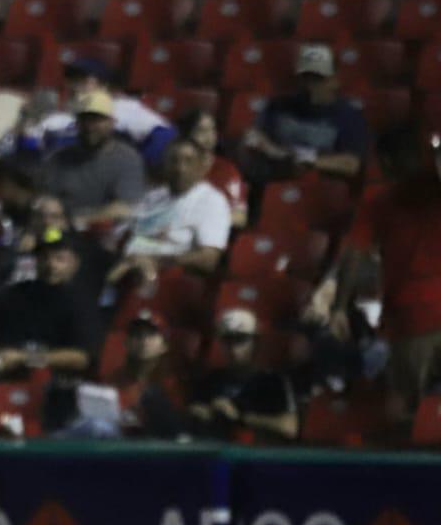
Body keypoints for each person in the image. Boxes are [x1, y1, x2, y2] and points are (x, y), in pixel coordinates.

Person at [311, 126, 441, 414]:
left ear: (386, 162)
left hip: (412, 320)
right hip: (416, 314)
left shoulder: (380, 202)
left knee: (412, 414)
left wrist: (339, 307)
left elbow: (353, 254)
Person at [0, 228, 98, 380]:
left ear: (75, 264)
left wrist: (24, 357)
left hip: (50, 381)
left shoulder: (81, 303)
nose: (51, 265)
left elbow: (82, 358)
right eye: (44, 257)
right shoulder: (13, 293)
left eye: (60, 259)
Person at [107, 138, 232, 297]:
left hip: (168, 280)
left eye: (189, 161)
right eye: (174, 161)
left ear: (201, 166)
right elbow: (119, 234)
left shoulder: (212, 201)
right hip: (127, 266)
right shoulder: (153, 196)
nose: (180, 168)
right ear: (165, 165)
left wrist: (156, 260)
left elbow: (208, 259)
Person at [240, 44, 369, 185]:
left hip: (319, 189)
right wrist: (262, 145)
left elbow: (351, 164)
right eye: (306, 78)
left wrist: (308, 160)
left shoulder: (348, 116)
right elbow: (254, 137)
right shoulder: (278, 107)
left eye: (318, 79)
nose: (311, 85)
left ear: (335, 80)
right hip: (276, 182)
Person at [30, 57, 175, 167]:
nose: (74, 85)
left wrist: (139, 170)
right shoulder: (56, 119)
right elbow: (31, 150)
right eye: (71, 79)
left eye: (83, 80)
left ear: (104, 85)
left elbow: (165, 135)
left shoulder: (123, 109)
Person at [187, 308, 299, 441]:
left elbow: (289, 427)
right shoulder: (210, 380)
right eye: (227, 341)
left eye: (240, 340)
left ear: (256, 343)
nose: (233, 348)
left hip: (257, 451)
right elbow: (192, 411)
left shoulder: (273, 381)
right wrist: (207, 412)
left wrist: (240, 417)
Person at [42, 91, 147, 231]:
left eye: (97, 120)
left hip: (102, 234)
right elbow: (46, 198)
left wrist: (77, 222)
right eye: (84, 119)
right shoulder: (60, 158)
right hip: (59, 231)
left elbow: (125, 208)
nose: (89, 126)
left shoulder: (127, 158)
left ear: (112, 123)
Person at [106, 309, 186, 439]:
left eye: (151, 335)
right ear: (126, 343)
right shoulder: (115, 380)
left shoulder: (174, 383)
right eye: (137, 335)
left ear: (165, 345)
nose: (143, 341)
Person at [176, 108, 248, 228]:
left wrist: (204, 217)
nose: (209, 136)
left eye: (212, 129)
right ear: (187, 135)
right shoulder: (172, 164)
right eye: (201, 131)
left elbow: (240, 217)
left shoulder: (227, 170)